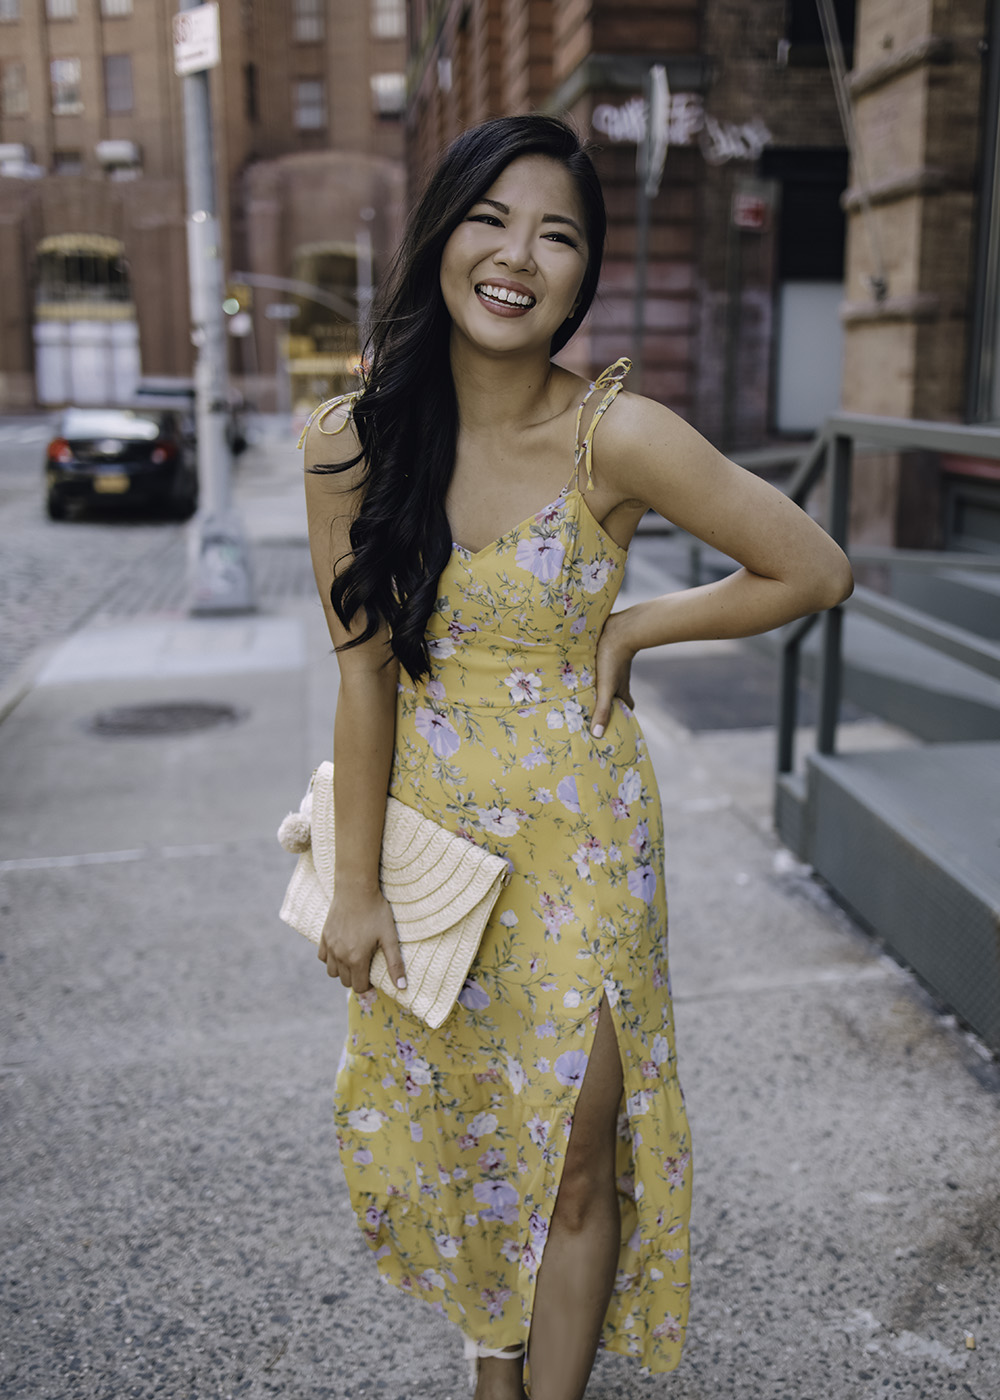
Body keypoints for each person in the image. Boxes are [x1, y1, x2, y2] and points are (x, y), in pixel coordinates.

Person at [300, 114, 853, 1400]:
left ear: (581, 276)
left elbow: (811, 567)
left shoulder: (620, 435)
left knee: (576, 1152)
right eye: (490, 219)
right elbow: (362, 674)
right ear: (441, 235)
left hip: (584, 849)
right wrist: (356, 886)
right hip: (435, 852)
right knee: (474, 1131)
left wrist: (641, 621)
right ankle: (493, 1370)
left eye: (555, 235)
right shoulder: (347, 440)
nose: (516, 256)